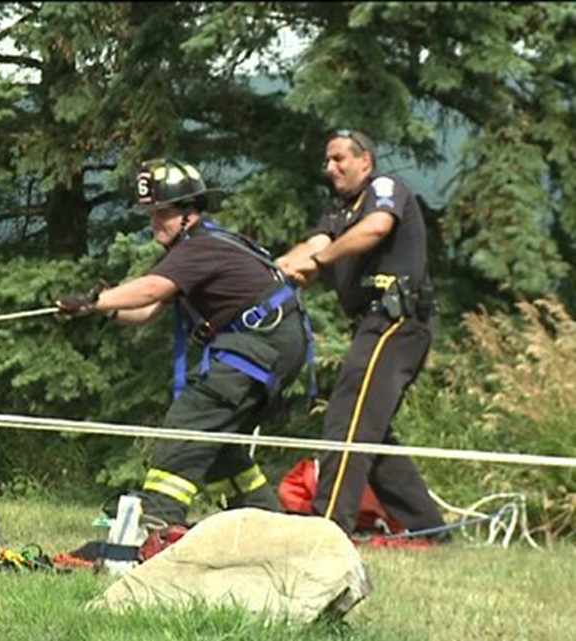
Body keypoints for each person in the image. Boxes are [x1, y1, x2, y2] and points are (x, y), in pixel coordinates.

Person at [57, 158, 309, 526]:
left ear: (190, 213)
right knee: (221, 444)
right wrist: (99, 310)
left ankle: (158, 517)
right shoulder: (194, 248)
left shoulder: (198, 247)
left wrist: (96, 299)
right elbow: (146, 311)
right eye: (151, 213)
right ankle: (265, 524)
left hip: (261, 342)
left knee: (193, 416)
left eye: (163, 213)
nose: (154, 221)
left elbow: (151, 289)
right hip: (273, 342)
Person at [276, 129, 447, 538]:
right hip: (372, 324)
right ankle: (430, 531)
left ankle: (328, 527)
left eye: (339, 159)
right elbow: (314, 244)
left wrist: (320, 260)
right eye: (327, 161)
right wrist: (273, 269)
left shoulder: (384, 189)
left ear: (365, 161)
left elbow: (376, 228)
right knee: (371, 427)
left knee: (348, 417)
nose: (330, 167)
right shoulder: (339, 209)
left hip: (396, 320)